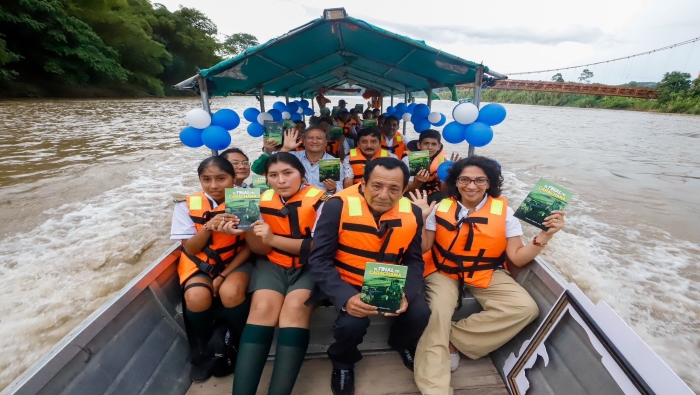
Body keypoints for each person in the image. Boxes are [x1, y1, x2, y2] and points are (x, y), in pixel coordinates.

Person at [410, 156, 565, 395]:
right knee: (439, 312)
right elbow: (423, 248)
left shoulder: (505, 212)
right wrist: (420, 220)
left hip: (486, 270)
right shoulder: (439, 207)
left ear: (489, 182)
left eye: (479, 180)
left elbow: (517, 257)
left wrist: (546, 235)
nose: (471, 186)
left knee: (525, 308)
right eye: (465, 180)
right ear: (456, 182)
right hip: (444, 270)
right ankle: (435, 389)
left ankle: (450, 337)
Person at [308, 157, 431, 395]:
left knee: (420, 313)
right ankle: (343, 362)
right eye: (376, 186)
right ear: (363, 183)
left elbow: (415, 260)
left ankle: (401, 343)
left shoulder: (413, 213)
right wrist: (345, 297)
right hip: (347, 278)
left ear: (405, 189)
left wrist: (405, 294)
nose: (384, 195)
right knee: (351, 324)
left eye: (394, 188)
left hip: (387, 278)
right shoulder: (336, 206)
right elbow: (319, 260)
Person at [224, 153, 328, 395]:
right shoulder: (258, 201)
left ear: (301, 175)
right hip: (272, 263)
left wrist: (273, 237)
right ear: (267, 178)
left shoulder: (323, 201)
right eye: (273, 175)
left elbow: (319, 247)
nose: (280, 180)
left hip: (310, 267)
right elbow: (261, 248)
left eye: (287, 173)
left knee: (293, 311)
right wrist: (245, 229)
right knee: (262, 310)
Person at [170, 156, 252, 382]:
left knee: (231, 292)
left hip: (235, 261)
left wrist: (223, 275)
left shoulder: (245, 200)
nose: (214, 186)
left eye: (221, 178)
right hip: (198, 262)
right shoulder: (185, 205)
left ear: (233, 178)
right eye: (206, 179)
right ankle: (206, 350)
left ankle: (236, 342)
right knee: (196, 297)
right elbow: (190, 249)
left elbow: (249, 248)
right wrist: (207, 227)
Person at [278, 127, 344, 193]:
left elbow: (340, 190)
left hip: (323, 201)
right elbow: (273, 165)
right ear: (304, 142)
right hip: (295, 200)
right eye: (310, 138)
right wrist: (285, 148)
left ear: (326, 143)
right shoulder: (293, 157)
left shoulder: (332, 162)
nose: (314, 141)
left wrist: (333, 188)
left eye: (319, 138)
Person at [401, 130, 459, 203]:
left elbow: (445, 191)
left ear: (439, 146)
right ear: (419, 145)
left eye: (434, 144)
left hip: (434, 195)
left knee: (448, 198)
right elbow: (407, 189)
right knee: (408, 198)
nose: (430, 147)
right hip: (414, 194)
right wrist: (418, 182)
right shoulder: (408, 160)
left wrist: (449, 175)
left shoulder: (443, 161)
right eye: (426, 143)